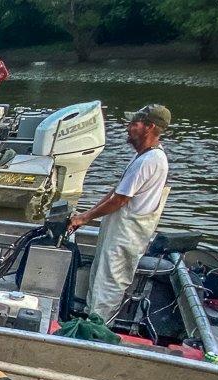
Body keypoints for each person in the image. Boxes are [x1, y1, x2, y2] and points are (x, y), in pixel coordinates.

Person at [69, 104, 171, 323]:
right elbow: (116, 191)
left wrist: (85, 218)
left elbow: (120, 200)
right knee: (99, 276)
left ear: (149, 127)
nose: (128, 128)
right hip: (118, 229)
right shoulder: (143, 156)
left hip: (127, 234)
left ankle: (97, 330)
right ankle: (90, 320)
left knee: (110, 282)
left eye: (135, 124)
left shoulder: (150, 160)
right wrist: (84, 214)